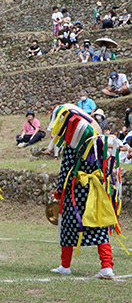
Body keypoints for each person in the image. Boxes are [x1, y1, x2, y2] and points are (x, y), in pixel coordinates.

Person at [49, 106, 118, 279]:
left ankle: (65, 266)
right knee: (99, 225)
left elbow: (65, 170)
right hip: (95, 190)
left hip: (75, 191)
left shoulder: (73, 146)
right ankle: (107, 266)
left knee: (68, 228)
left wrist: (58, 193)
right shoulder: (97, 143)